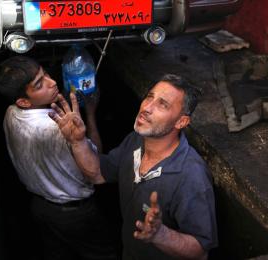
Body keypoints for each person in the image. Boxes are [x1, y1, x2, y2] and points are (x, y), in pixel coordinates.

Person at [49, 74, 218, 260]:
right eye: (149, 97)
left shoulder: (191, 176)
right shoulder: (137, 140)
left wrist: (161, 235)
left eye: (163, 104)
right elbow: (97, 173)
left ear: (181, 122)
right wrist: (78, 142)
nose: (146, 108)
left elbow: (200, 251)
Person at [0, 56, 116, 260]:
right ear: (23, 100)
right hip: (75, 214)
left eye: (46, 74)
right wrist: (91, 114)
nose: (53, 82)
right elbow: (97, 167)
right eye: (40, 84)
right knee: (105, 252)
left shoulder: (11, 113)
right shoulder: (56, 131)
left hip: (41, 207)